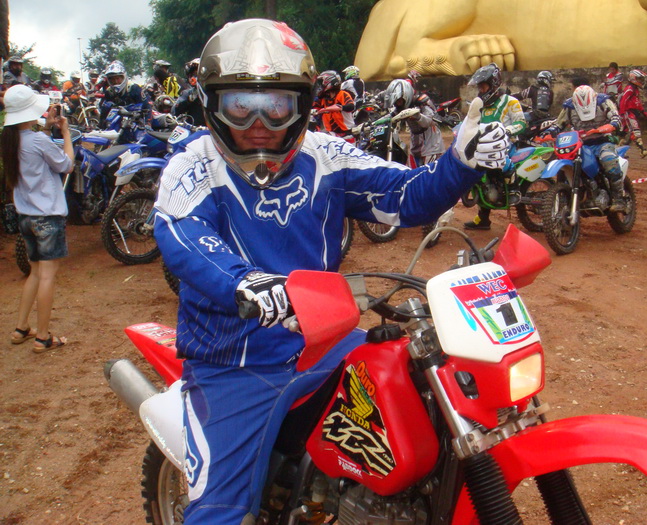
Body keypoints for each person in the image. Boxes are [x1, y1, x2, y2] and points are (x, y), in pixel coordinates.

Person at [152, 18, 509, 525]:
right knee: (221, 512)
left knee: (422, 398)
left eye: (278, 105)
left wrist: (458, 163)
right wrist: (244, 283)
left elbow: (403, 195)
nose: (260, 122)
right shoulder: (191, 166)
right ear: (212, 103)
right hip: (236, 359)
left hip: (326, 337)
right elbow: (185, 238)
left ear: (301, 103)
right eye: (241, 104)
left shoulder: (326, 155)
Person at [1, 85, 74, 352]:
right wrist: (66, 134)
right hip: (47, 217)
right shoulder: (38, 141)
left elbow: (31, 146)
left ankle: (21, 328)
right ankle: (43, 336)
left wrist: (47, 128)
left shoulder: (10, 141)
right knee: (47, 277)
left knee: (35, 272)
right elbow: (67, 165)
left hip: (26, 216)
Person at [464, 62, 526, 230]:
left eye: (483, 86)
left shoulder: (510, 101)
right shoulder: (479, 104)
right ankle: (483, 219)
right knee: (480, 176)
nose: (481, 90)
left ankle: (513, 189)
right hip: (483, 144)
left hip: (505, 143)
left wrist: (506, 130)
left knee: (499, 161)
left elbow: (521, 123)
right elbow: (470, 122)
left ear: (493, 84)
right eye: (479, 86)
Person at [550, 84, 627, 210]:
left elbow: (616, 119)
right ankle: (567, 195)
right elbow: (558, 124)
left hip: (602, 141)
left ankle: (619, 199)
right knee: (565, 161)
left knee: (608, 160)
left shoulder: (603, 102)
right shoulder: (569, 106)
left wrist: (610, 125)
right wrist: (550, 131)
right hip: (579, 144)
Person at [385, 78, 445, 165]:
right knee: (411, 172)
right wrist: (376, 123)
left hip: (432, 149)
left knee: (430, 173)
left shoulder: (423, 102)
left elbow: (431, 122)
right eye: (396, 102)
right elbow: (390, 117)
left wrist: (418, 116)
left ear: (406, 96)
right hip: (415, 148)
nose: (398, 103)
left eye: (399, 100)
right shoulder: (402, 107)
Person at [99, 60, 149, 125]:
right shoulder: (109, 92)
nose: (116, 81)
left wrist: (148, 123)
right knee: (106, 105)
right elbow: (103, 113)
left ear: (124, 77)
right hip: (118, 123)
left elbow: (147, 107)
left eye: (118, 78)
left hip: (136, 122)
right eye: (112, 79)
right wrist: (102, 124)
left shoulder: (133, 88)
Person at [312, 70, 356, 141]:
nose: (321, 85)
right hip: (330, 134)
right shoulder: (323, 98)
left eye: (322, 82)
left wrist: (340, 107)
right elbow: (314, 110)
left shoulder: (342, 94)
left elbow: (351, 106)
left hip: (346, 133)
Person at [618, 69, 647, 157]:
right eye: (639, 79)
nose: (641, 81)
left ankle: (619, 150)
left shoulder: (635, 89)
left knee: (630, 133)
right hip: (628, 113)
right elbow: (623, 101)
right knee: (635, 131)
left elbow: (637, 102)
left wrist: (643, 111)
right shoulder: (630, 89)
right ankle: (642, 151)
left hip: (632, 112)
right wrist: (622, 114)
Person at [172, 58, 205, 126]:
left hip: (215, 129)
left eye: (199, 73)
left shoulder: (217, 92)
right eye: (194, 74)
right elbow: (175, 111)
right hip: (195, 129)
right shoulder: (187, 93)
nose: (195, 76)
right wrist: (189, 100)